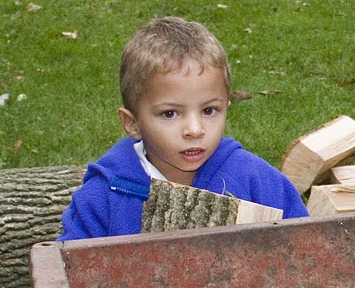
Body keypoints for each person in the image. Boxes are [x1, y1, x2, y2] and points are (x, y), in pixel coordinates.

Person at [59, 17, 307, 240]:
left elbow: (307, 247)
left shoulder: (258, 182)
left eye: (209, 110)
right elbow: (70, 266)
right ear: (132, 123)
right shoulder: (103, 196)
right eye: (170, 114)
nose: (195, 130)